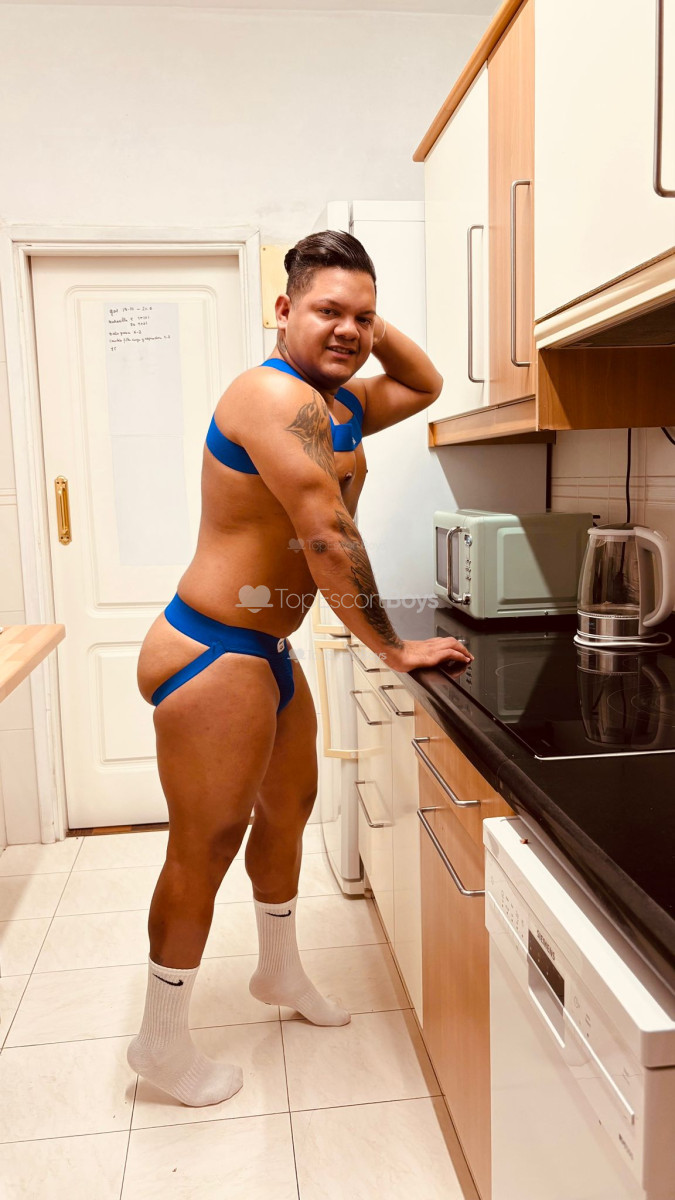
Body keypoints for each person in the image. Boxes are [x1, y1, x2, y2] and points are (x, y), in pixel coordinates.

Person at [127, 230, 474, 1107]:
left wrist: (360, 323)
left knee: (287, 815)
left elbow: (425, 385)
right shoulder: (272, 396)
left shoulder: (341, 401)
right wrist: (391, 647)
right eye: (326, 310)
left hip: (267, 652)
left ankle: (276, 972)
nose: (349, 330)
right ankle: (158, 1044)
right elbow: (326, 534)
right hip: (214, 651)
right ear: (281, 310)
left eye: (363, 316)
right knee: (205, 845)